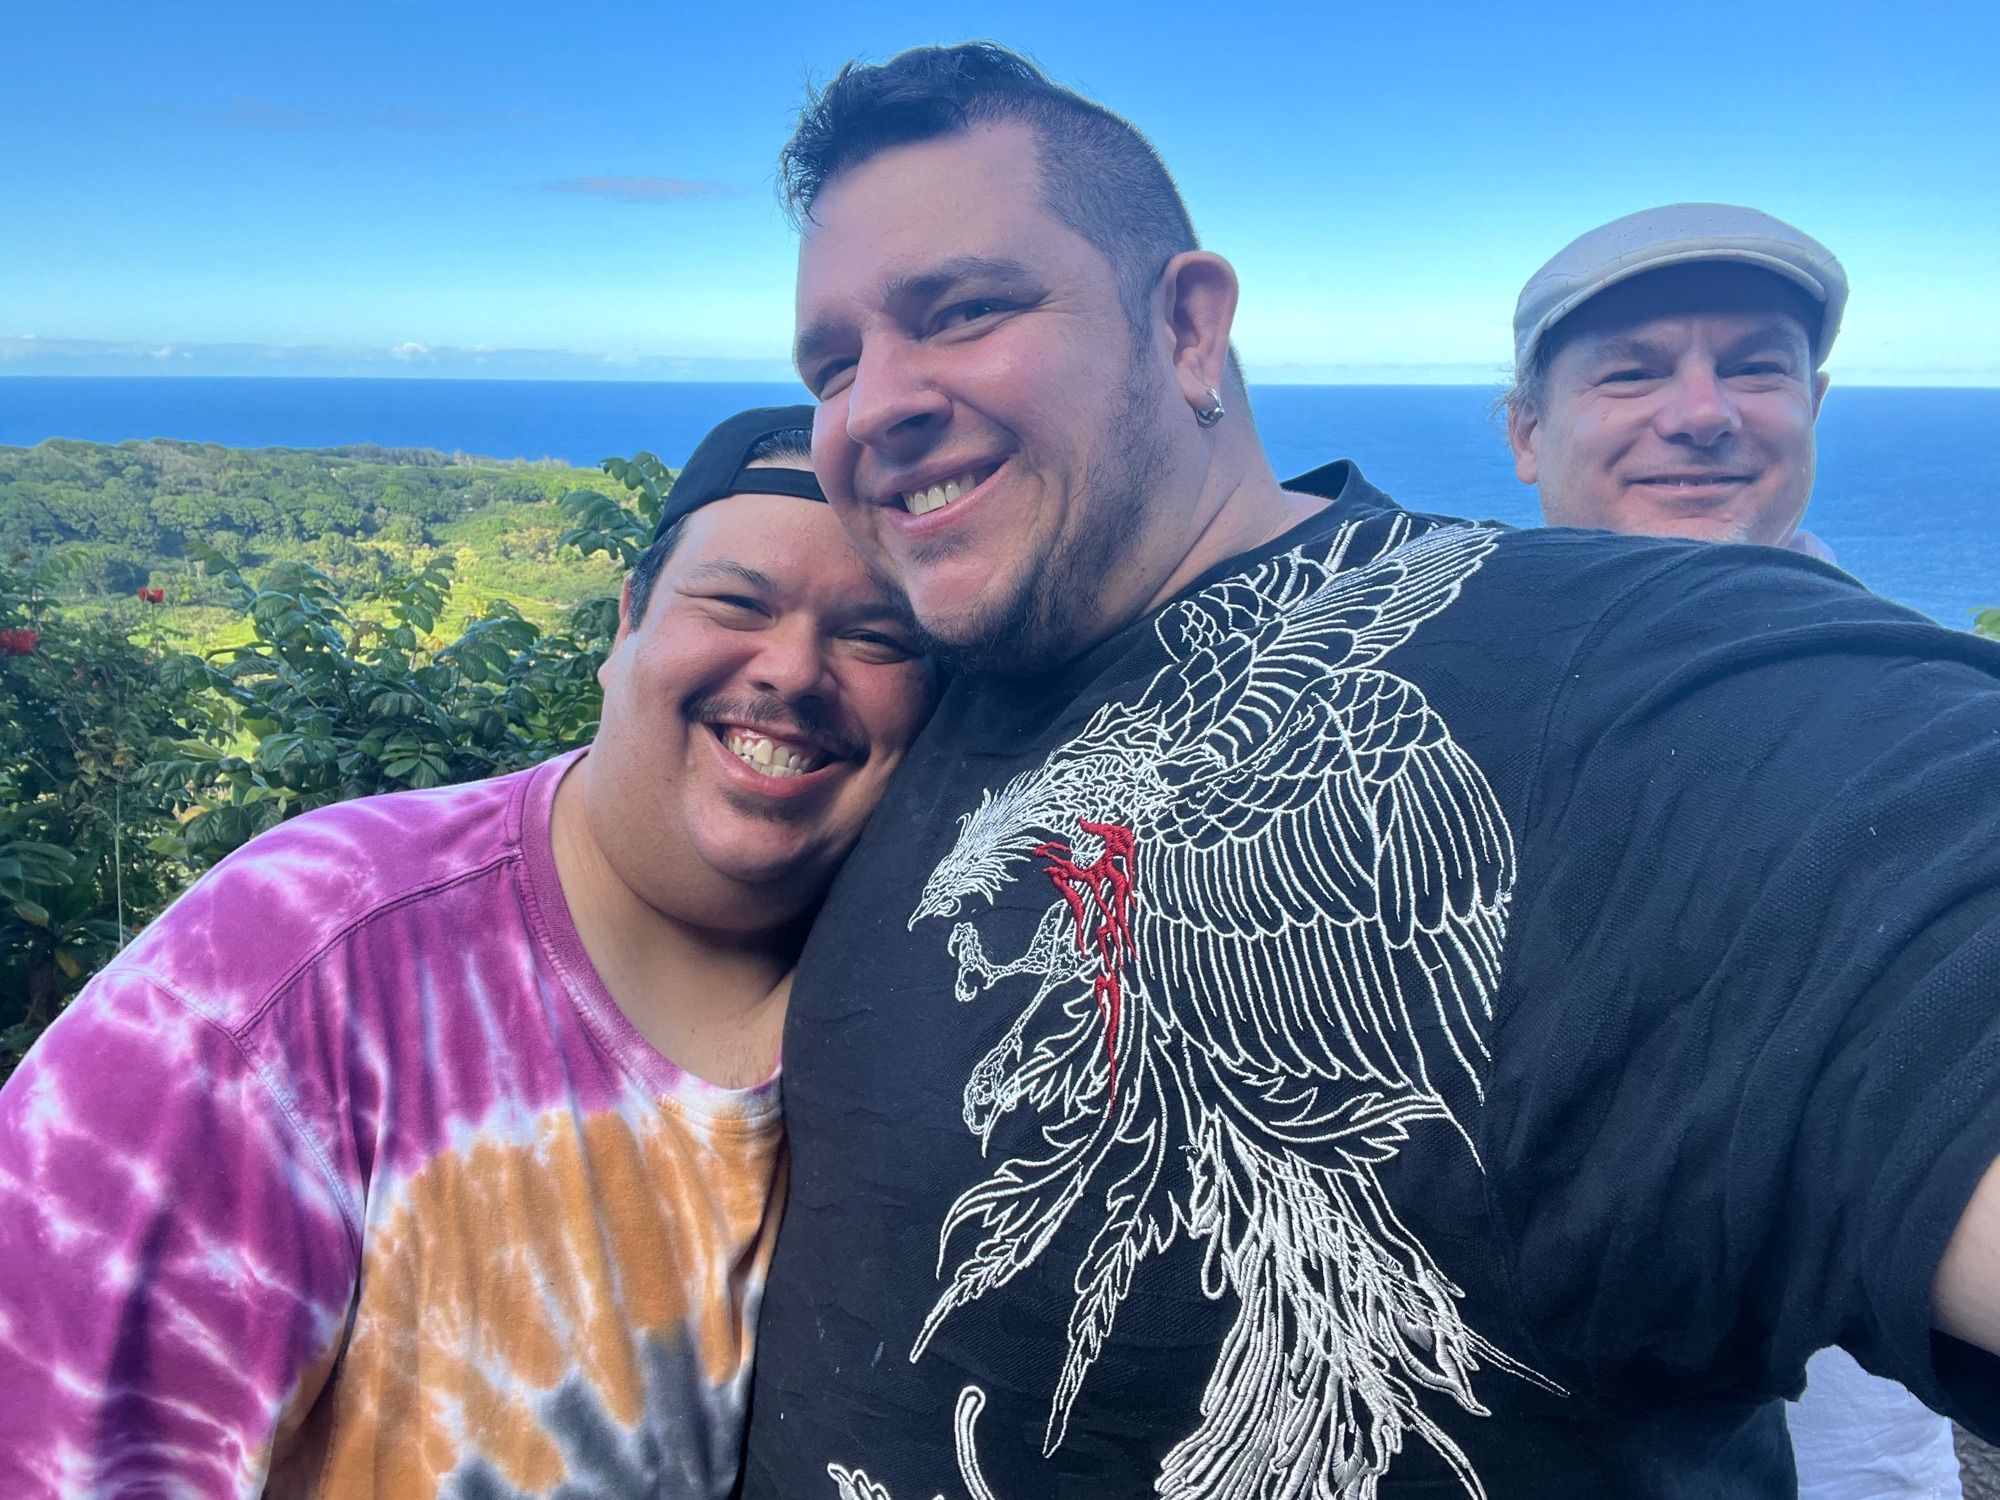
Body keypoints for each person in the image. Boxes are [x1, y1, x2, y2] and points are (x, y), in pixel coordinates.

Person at [742, 43, 2000, 1500]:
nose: (872, 404)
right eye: (832, 366)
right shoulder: (897, 707)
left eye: (962, 312)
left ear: (1189, 326)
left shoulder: (1602, 677)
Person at [0, 406, 933, 1497]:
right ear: (625, 621)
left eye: (878, 637)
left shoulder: (936, 996)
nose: (792, 669)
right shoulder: (290, 965)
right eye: (736, 602)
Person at [1509, 202, 1964, 1500]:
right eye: (1634, 369)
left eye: (1755, 365)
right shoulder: (1429, 727)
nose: (1701, 413)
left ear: (1813, 402)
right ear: (1526, 434)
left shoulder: (1922, 730)